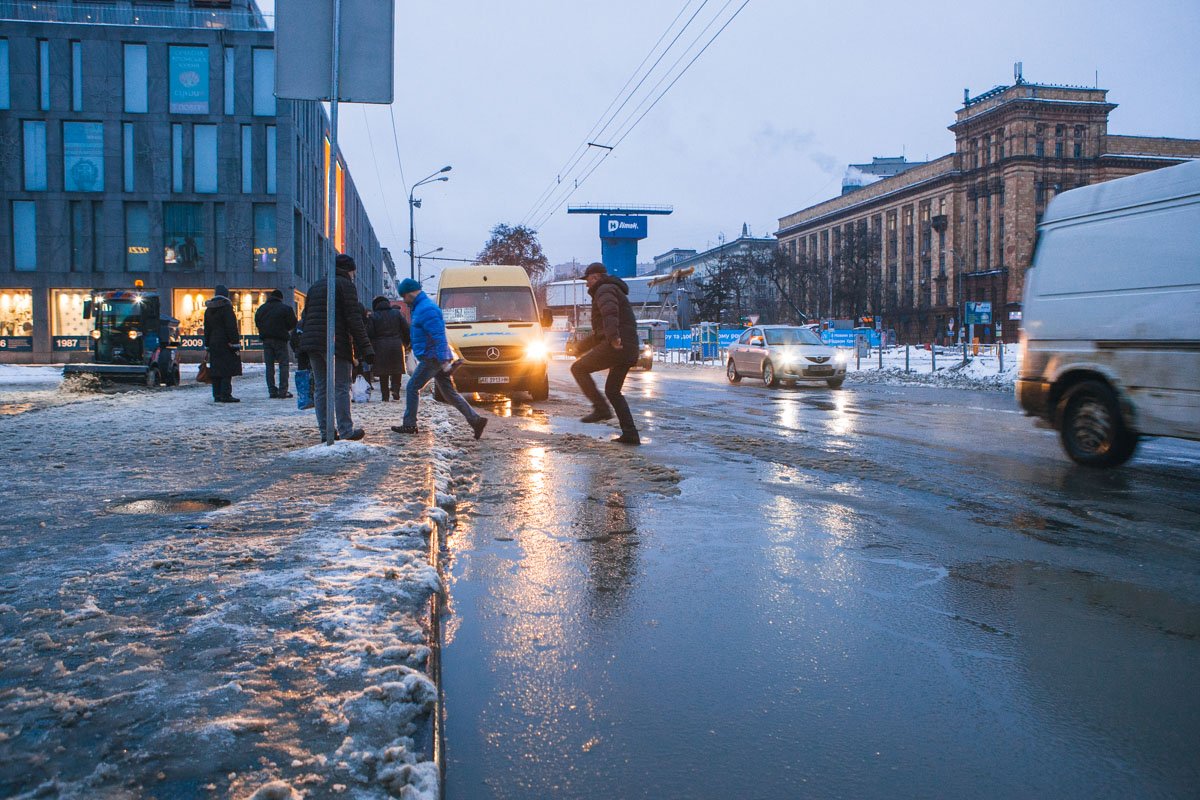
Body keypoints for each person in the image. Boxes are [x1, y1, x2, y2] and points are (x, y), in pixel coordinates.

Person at [390, 278, 487, 440]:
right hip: (434, 356)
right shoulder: (421, 307)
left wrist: (443, 360)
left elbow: (438, 336)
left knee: (413, 387)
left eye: (404, 296)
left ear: (410, 293)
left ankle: (409, 424)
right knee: (449, 393)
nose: (404, 301)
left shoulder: (426, 309)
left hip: (432, 357)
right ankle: (476, 420)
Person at [299, 254, 374, 441]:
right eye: (354, 271)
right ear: (349, 270)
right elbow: (354, 319)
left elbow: (306, 316)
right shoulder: (345, 285)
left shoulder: (316, 286)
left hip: (313, 344)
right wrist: (366, 348)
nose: (355, 275)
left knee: (321, 388)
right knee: (341, 386)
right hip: (335, 343)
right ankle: (346, 431)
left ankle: (326, 432)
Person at [570, 262, 640, 444]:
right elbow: (599, 333)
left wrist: (614, 337)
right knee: (613, 391)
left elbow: (610, 314)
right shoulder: (611, 289)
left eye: (588, 280)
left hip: (617, 345)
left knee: (578, 369)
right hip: (628, 347)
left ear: (595, 277)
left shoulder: (604, 290)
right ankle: (630, 433)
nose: (587, 284)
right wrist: (580, 347)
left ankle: (600, 409)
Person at [254, 288, 297, 399]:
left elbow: (257, 322)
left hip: (266, 340)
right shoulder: (286, 309)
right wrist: (284, 329)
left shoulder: (262, 309)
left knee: (269, 366)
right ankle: (283, 390)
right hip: (281, 340)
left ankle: (272, 391)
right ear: (281, 298)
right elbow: (293, 323)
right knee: (283, 365)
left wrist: (264, 330)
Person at [203, 284, 243, 403]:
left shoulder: (209, 310)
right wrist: (235, 342)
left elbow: (206, 329)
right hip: (226, 342)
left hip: (213, 342)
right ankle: (226, 394)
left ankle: (217, 394)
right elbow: (231, 327)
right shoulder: (226, 308)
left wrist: (208, 344)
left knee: (215, 369)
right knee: (226, 369)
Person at [367, 295, 411, 402]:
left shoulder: (373, 316)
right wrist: (407, 343)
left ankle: (385, 396)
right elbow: (406, 329)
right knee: (397, 370)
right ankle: (395, 389)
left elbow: (370, 333)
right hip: (396, 345)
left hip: (380, 346)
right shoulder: (397, 314)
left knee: (383, 373)